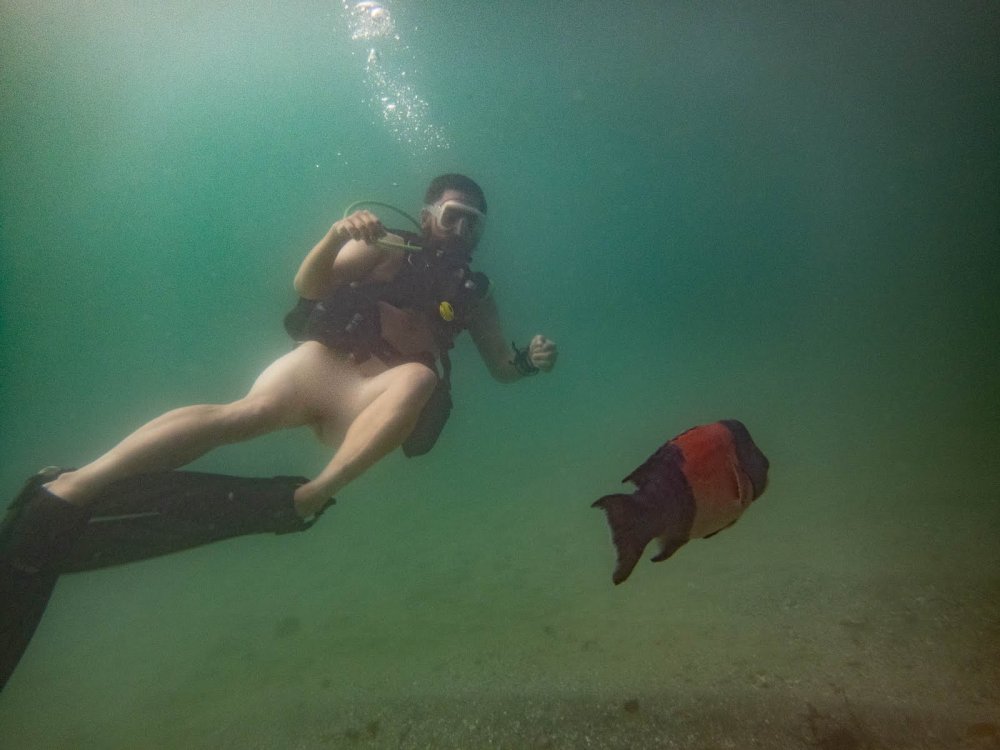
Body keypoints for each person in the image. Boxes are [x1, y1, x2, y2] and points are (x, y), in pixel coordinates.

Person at [36, 173, 557, 520]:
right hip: (324, 367)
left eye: (473, 223)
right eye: (452, 216)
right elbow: (309, 287)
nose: (461, 230)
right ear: (427, 216)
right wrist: (334, 238)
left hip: (372, 402)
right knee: (239, 416)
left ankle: (315, 493)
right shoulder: (384, 249)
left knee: (422, 377)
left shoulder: (476, 297)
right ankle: (83, 482)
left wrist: (527, 362)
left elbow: (500, 368)